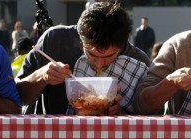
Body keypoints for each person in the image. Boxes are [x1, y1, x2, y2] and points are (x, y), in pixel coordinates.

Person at [16, 1, 150, 115]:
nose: (98, 65)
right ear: (80, 39)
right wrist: (41, 76)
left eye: (108, 56)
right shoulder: (55, 41)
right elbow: (17, 97)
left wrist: (120, 113)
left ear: (123, 44)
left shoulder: (138, 63)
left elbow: (152, 116)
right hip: (53, 138)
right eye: (91, 54)